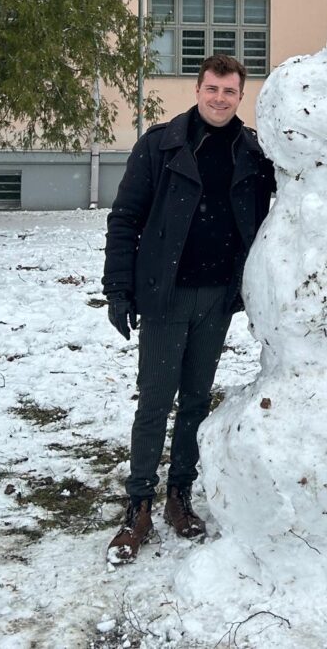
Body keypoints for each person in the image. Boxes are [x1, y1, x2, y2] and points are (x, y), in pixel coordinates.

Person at [103, 54, 275, 563]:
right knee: (155, 402)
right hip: (165, 293)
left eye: (230, 92)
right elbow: (125, 218)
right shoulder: (162, 144)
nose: (220, 99)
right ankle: (138, 503)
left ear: (241, 97)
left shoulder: (252, 152)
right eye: (212, 89)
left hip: (217, 297)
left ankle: (180, 495)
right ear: (198, 90)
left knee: (196, 401)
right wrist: (118, 288)